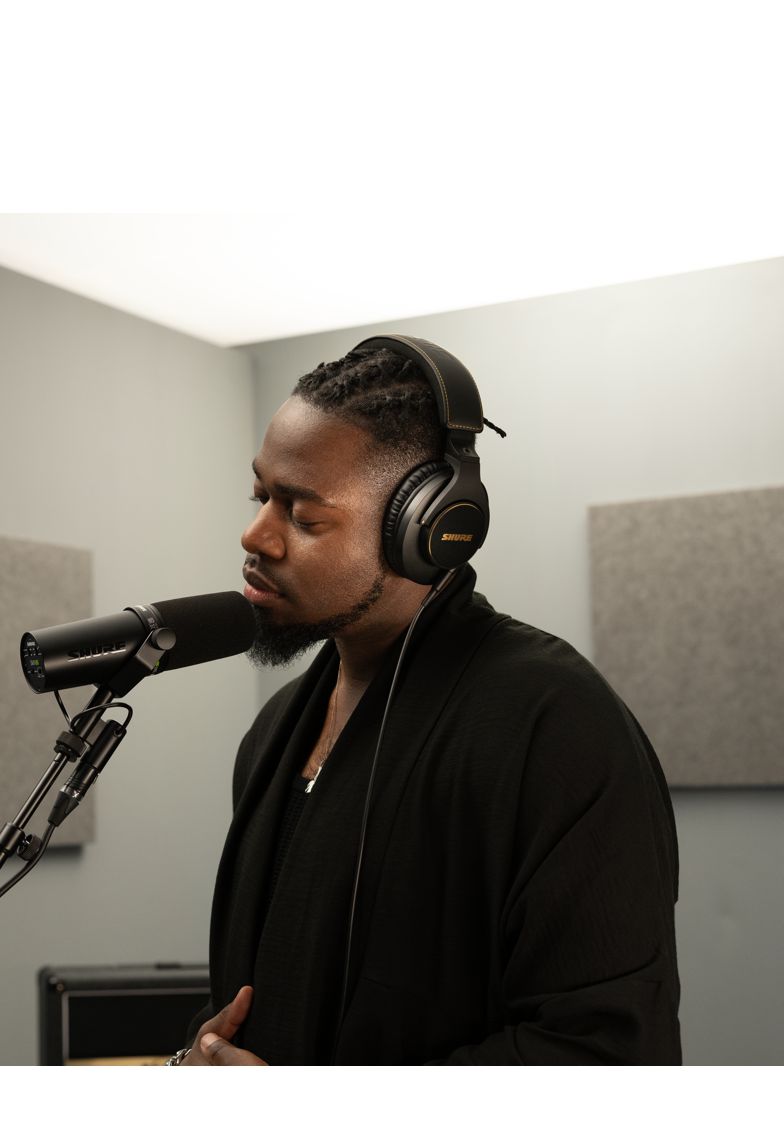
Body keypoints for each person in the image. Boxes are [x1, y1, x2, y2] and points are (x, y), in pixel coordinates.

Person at [173, 338, 682, 1065]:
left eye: (303, 516)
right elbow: (255, 998)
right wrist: (194, 1057)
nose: (257, 536)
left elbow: (606, 1050)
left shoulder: (555, 724)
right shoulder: (275, 730)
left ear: (428, 527)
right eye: (261, 498)